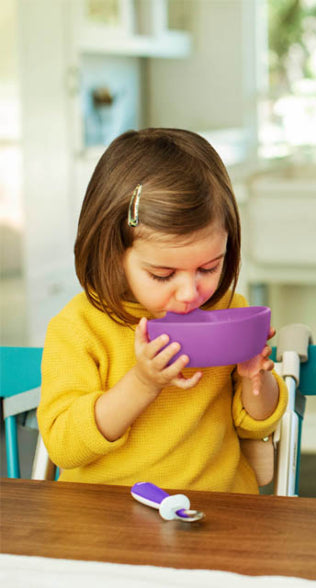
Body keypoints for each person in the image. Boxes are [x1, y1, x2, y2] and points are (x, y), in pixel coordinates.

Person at [38, 128, 288, 493]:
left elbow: (258, 426)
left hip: (218, 511)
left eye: (208, 268)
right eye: (162, 274)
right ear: (114, 255)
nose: (190, 293)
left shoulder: (229, 311)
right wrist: (143, 383)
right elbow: (64, 447)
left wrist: (256, 380)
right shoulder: (80, 328)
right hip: (106, 519)